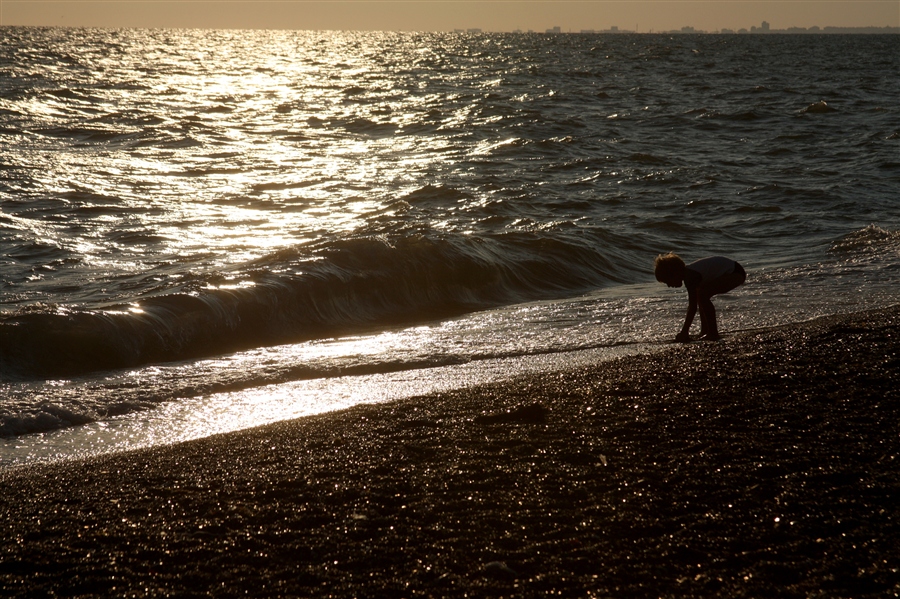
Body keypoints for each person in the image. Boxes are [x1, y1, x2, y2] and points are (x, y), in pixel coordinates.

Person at [654, 253, 746, 342]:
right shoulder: (690, 273)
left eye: (667, 281)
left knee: (702, 296)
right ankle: (706, 331)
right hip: (733, 271)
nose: (669, 286)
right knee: (701, 296)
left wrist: (684, 331)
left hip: (735, 273)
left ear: (674, 273)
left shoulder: (690, 276)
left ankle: (713, 332)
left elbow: (692, 307)